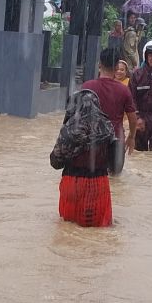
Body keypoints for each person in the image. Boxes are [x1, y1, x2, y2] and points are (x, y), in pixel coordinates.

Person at [50, 89, 117, 227]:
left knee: (68, 229)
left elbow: (56, 162)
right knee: (98, 229)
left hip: (73, 183)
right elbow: (114, 161)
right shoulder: (108, 125)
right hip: (100, 184)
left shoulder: (72, 128)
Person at [81, 47, 139, 174]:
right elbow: (133, 119)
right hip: (116, 142)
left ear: (99, 64)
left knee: (92, 178)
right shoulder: (124, 90)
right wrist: (132, 137)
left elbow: (78, 117)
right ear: (116, 65)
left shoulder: (87, 87)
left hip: (91, 141)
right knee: (115, 181)